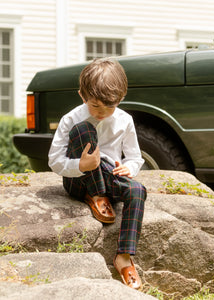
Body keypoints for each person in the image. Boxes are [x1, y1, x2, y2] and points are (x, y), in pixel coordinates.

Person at [48, 57, 146, 289]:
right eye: (95, 106)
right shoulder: (71, 119)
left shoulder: (125, 120)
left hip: (108, 175)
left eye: (109, 107)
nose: (101, 112)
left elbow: (135, 157)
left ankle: (124, 256)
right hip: (78, 181)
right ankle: (95, 195)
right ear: (82, 95)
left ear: (120, 99)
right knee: (85, 129)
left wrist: (128, 168)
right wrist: (80, 166)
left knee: (137, 191)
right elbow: (54, 160)